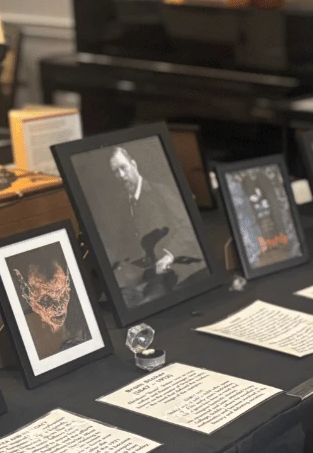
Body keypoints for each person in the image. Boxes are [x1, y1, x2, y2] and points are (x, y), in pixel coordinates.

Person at [103, 145, 205, 308]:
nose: (121, 175)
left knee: (143, 306)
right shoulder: (124, 205)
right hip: (146, 275)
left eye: (123, 167)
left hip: (175, 272)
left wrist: (169, 255)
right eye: (116, 171)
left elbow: (188, 227)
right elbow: (125, 245)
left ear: (134, 165)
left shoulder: (160, 192)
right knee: (119, 303)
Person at [11, 251, 91, 360]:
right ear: (27, 294)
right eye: (46, 300)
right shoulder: (29, 338)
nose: (59, 307)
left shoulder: (83, 327)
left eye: (63, 294)